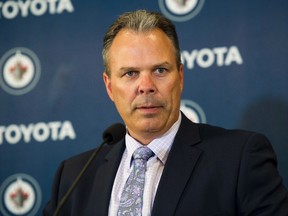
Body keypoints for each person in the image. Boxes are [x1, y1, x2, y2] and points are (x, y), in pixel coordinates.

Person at [43, 9, 288, 216]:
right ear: (109, 86)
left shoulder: (240, 158)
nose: (146, 85)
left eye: (160, 70)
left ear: (180, 77)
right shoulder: (73, 177)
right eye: (130, 73)